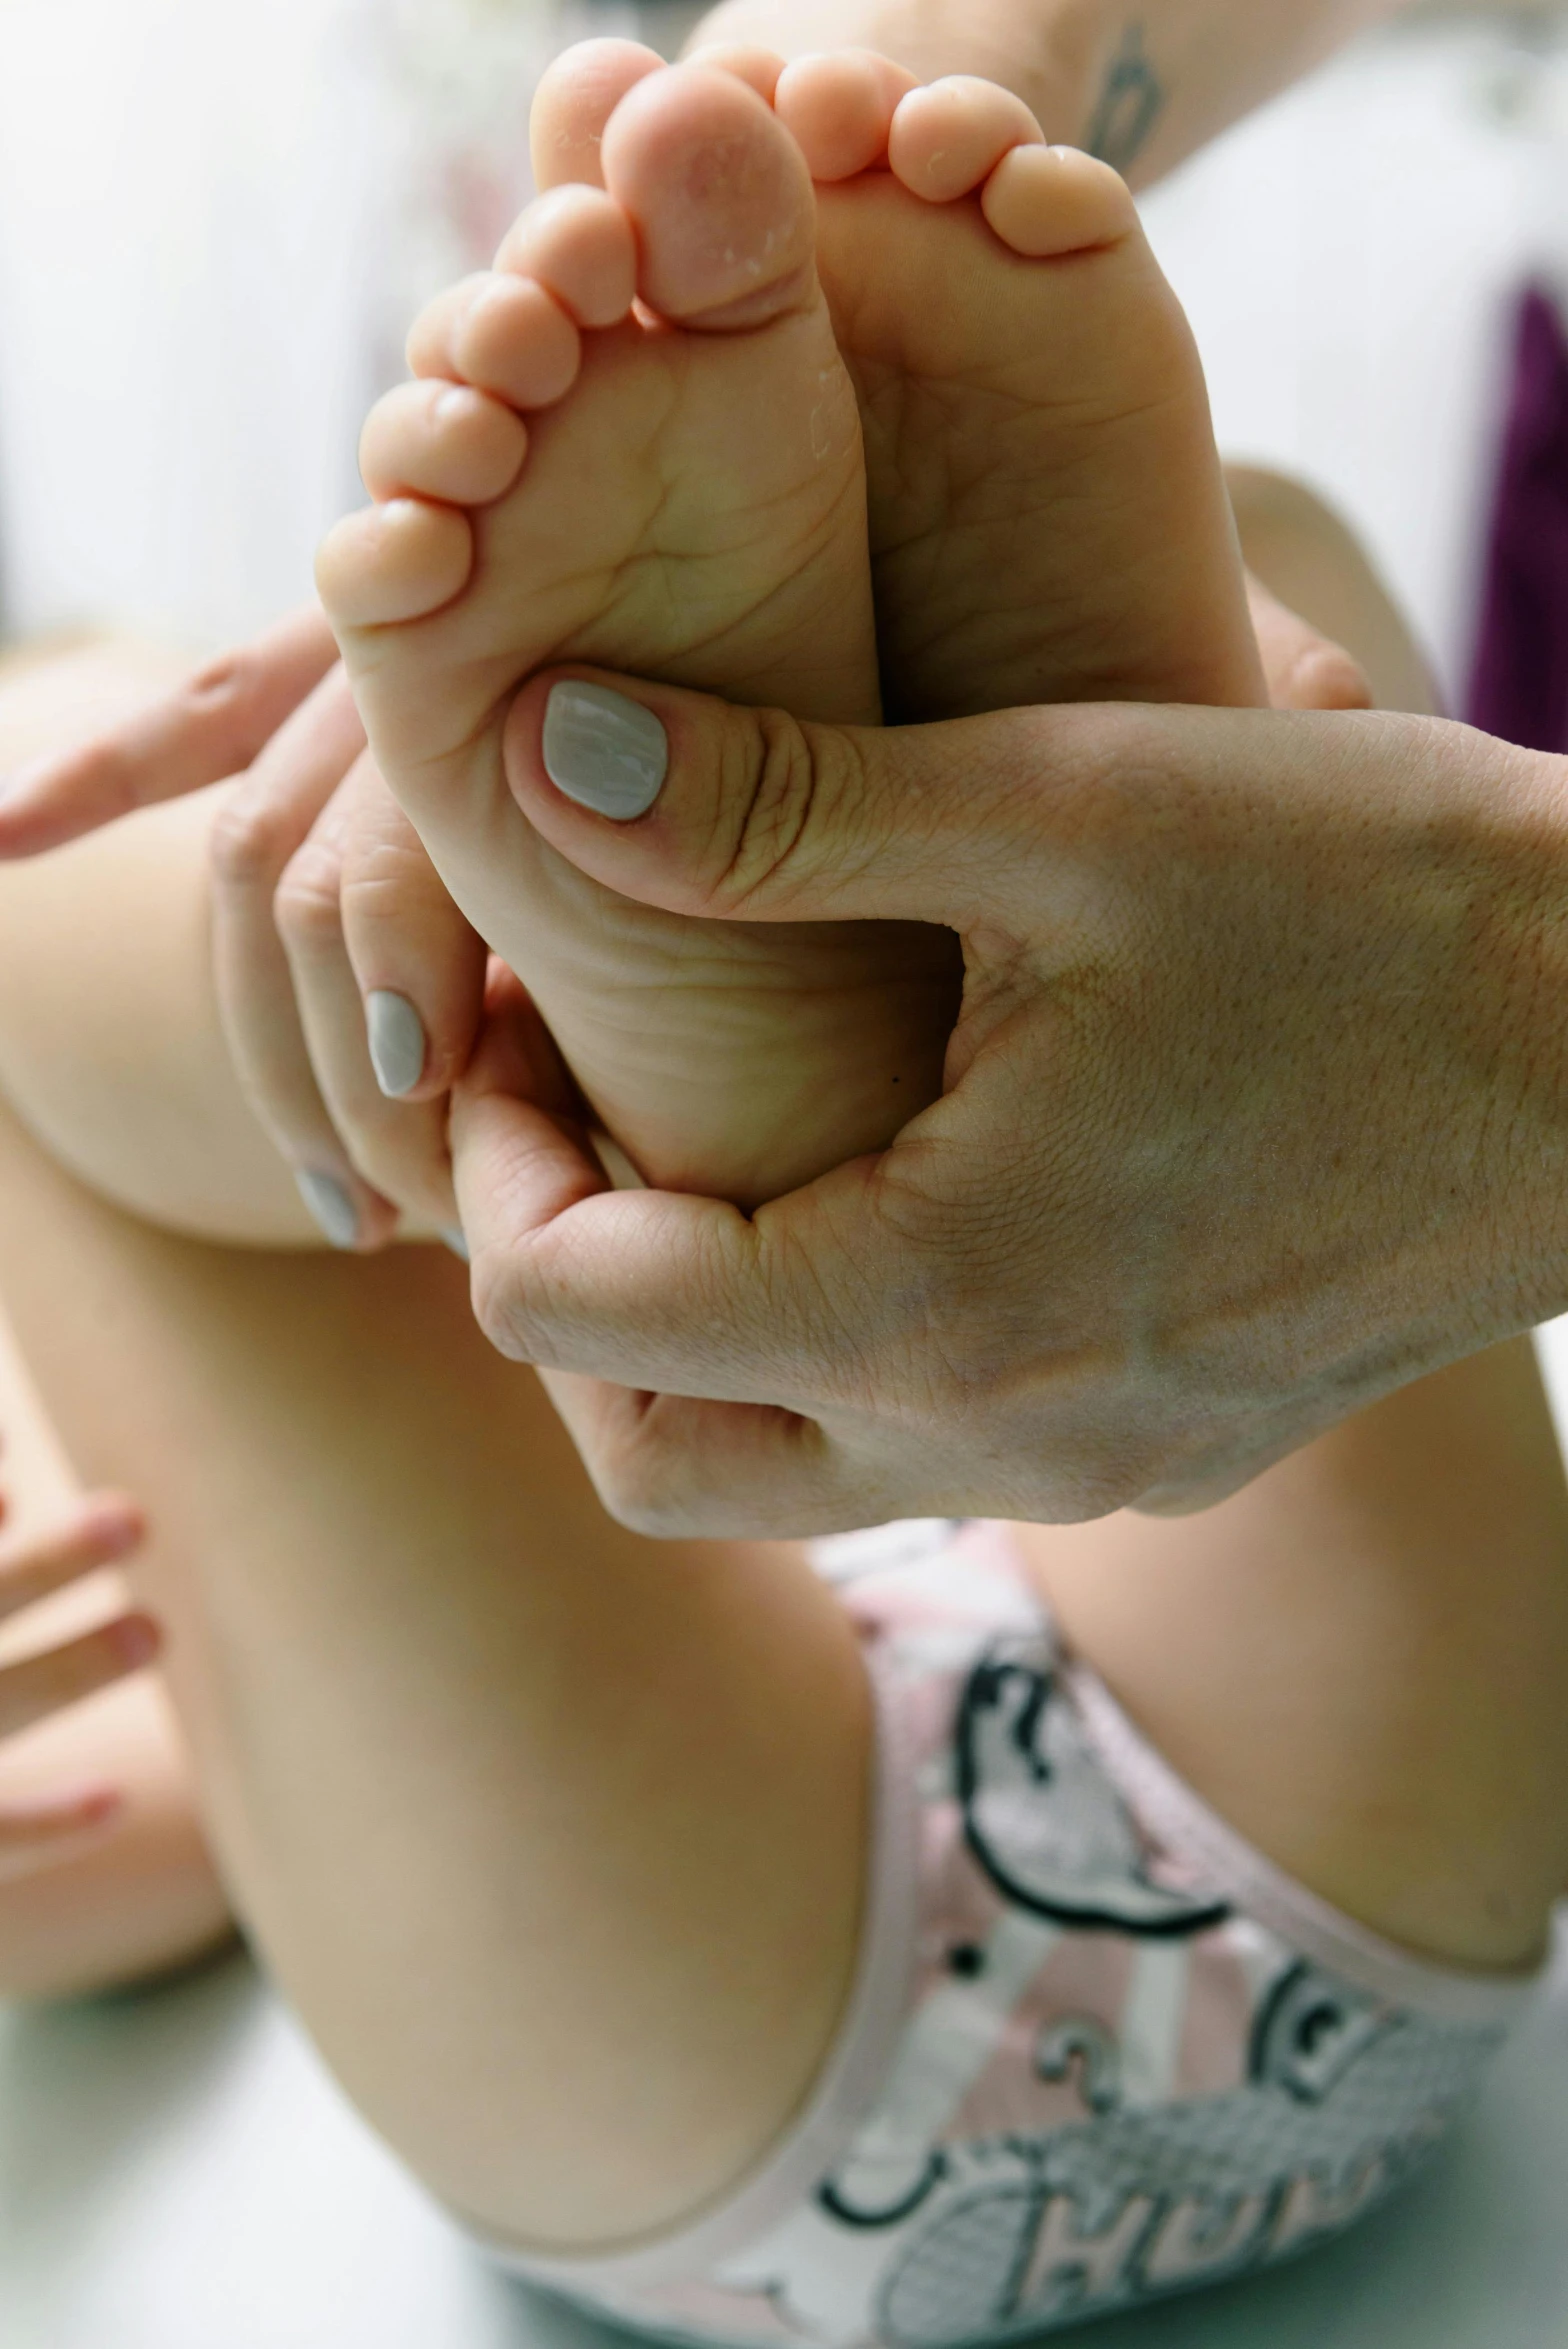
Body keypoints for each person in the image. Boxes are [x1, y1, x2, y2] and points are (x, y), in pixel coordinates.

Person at [0, 46, 1564, 2344]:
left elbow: (145, 1815)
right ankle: (811, 916)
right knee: (1272, 568)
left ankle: (613, 1012)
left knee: (42, 901)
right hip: (1385, 1850)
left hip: (704, 2076)